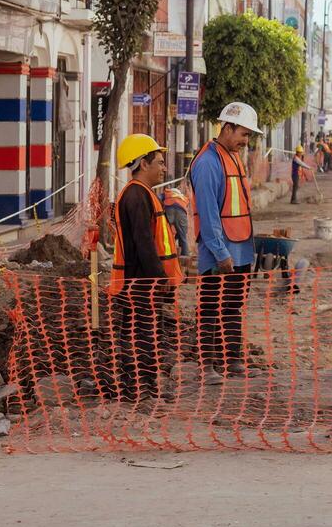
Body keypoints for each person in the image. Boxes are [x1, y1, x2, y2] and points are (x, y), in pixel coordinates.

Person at [188, 101, 260, 384]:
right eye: (243, 134)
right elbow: (208, 214)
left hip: (239, 249)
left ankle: (232, 361)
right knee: (209, 309)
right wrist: (220, 253)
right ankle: (208, 367)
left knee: (231, 307)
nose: (246, 141)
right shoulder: (208, 162)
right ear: (227, 127)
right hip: (220, 254)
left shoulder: (232, 156)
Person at [109, 134, 184, 399]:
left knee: (146, 334)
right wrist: (160, 278)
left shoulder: (142, 194)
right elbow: (144, 243)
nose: (164, 168)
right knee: (142, 335)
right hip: (140, 283)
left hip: (142, 282)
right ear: (143, 163)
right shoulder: (136, 196)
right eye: (160, 162)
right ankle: (139, 389)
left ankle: (146, 387)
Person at [161, 185, 190, 258]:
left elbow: (158, 198)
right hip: (182, 213)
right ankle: (184, 258)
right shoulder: (183, 197)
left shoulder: (167, 193)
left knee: (165, 233)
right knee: (182, 237)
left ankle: (164, 254)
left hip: (169, 209)